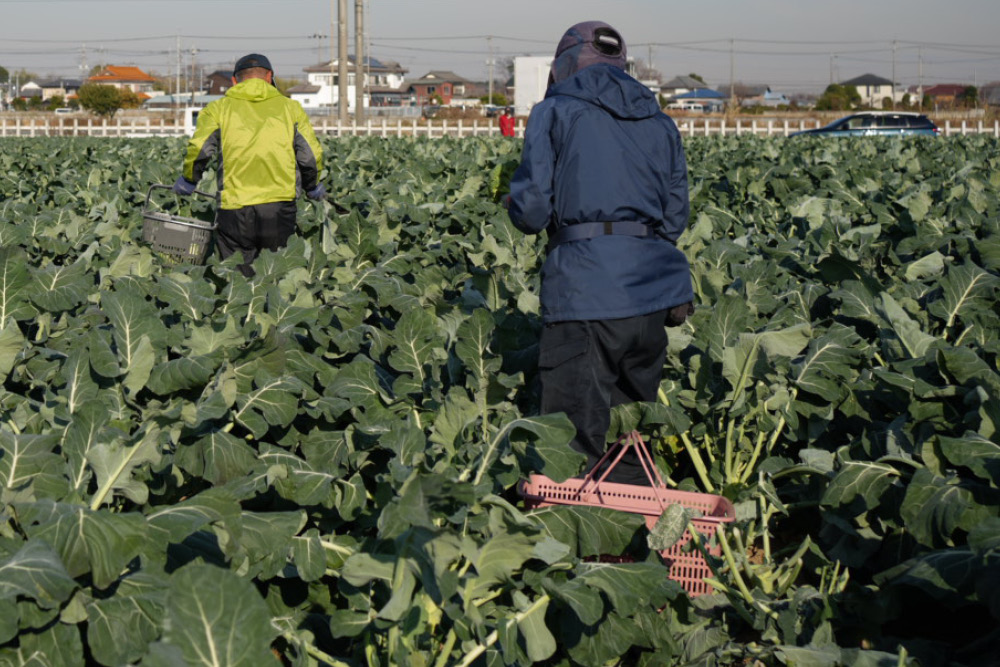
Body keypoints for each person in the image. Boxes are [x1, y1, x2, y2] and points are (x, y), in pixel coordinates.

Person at [505, 21, 693, 485]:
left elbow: (530, 212)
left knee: (570, 445)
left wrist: (518, 205)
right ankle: (627, 546)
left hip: (585, 293)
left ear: (563, 66)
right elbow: (674, 219)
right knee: (628, 437)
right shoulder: (659, 120)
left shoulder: (555, 111)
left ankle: (574, 547)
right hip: (652, 297)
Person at [173, 53, 325, 277]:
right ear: (270, 77)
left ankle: (243, 311)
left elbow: (201, 149)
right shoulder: (290, 108)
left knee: (237, 278)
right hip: (279, 204)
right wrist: (312, 186)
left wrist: (189, 179)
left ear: (235, 81)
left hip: (234, 207)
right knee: (276, 276)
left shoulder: (218, 109)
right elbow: (309, 155)